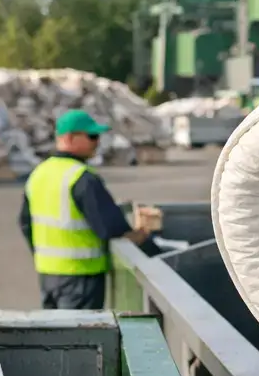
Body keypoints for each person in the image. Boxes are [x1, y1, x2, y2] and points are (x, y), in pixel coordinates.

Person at [20, 109, 157, 310]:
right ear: (69, 138)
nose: (97, 142)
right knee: (79, 330)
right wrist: (146, 240)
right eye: (92, 136)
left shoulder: (39, 174)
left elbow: (25, 223)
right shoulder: (81, 178)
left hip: (48, 275)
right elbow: (111, 227)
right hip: (81, 277)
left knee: (54, 329)